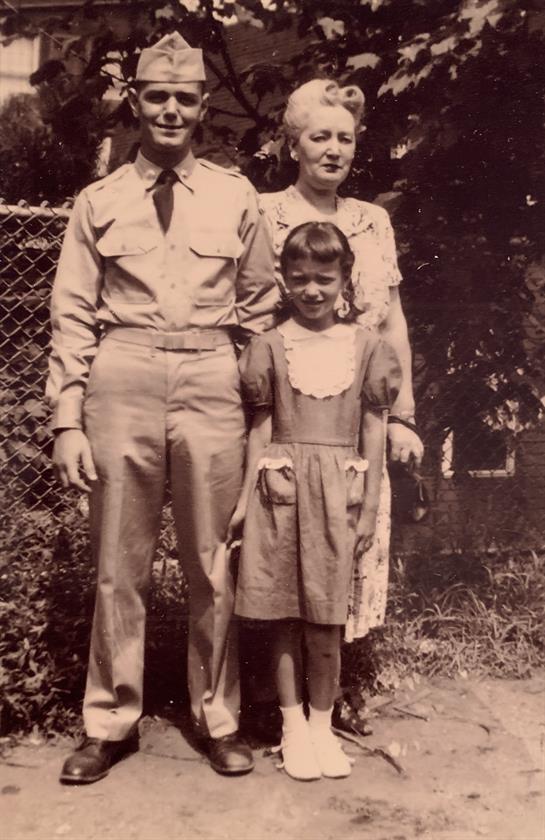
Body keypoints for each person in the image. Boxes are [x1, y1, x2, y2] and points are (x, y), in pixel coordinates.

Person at [45, 31, 279, 784]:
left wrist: (259, 411)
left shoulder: (234, 195)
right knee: (119, 563)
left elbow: (261, 310)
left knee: (215, 562)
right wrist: (66, 420)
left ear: (203, 107)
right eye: (157, 95)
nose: (170, 109)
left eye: (184, 97)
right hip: (124, 374)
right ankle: (109, 721)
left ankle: (218, 717)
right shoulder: (99, 200)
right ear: (135, 102)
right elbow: (73, 315)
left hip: (212, 374)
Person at [229, 221, 401, 780]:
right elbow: (259, 427)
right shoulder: (270, 346)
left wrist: (370, 499)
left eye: (324, 279)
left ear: (344, 278)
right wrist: (242, 499)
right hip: (278, 489)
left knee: (326, 618)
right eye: (299, 278)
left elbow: (373, 427)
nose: (311, 290)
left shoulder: (366, 346)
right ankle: (292, 727)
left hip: (339, 492)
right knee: (282, 614)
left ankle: (324, 728)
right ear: (283, 279)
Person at [259, 79, 424, 641]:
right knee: (285, 542)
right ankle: (273, 693)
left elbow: (394, 321)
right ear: (293, 145)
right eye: (320, 136)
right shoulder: (263, 215)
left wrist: (403, 416)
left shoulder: (374, 221)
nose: (334, 149)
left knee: (356, 532)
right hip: (292, 412)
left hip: (364, 417)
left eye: (346, 139)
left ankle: (341, 682)